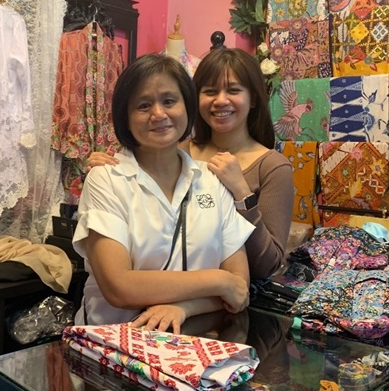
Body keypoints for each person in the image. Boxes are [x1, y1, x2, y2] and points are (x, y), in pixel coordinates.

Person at [73, 53, 255, 333]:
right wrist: (219, 281)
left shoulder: (211, 180)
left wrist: (183, 308)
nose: (159, 114)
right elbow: (118, 287)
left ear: (187, 107)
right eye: (144, 105)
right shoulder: (106, 179)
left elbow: (239, 287)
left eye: (169, 101)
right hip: (113, 348)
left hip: (194, 346)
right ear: (126, 116)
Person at [89, 48, 294, 280]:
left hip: (232, 297)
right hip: (162, 289)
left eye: (234, 90)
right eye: (210, 91)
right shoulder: (174, 151)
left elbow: (268, 265)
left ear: (254, 98)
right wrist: (110, 165)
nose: (221, 100)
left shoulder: (272, 167)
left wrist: (242, 193)